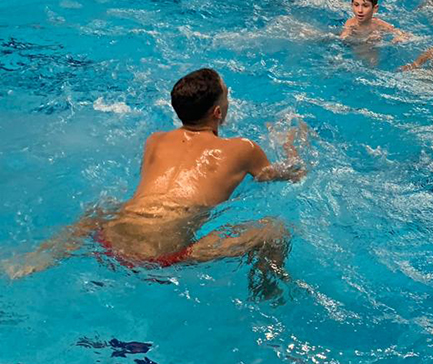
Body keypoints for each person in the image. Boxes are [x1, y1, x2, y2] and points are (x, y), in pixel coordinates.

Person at [2, 68, 308, 288]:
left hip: (110, 239)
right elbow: (283, 174)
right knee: (273, 230)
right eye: (227, 95)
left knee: (104, 207)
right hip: (165, 256)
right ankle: (270, 292)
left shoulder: (155, 140)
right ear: (217, 112)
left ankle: (38, 259)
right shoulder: (244, 149)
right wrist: (292, 144)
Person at [340, 0, 408, 43]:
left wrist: (398, 38)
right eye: (356, 5)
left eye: (365, 6)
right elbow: (344, 38)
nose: (360, 10)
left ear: (375, 8)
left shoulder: (378, 24)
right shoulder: (351, 24)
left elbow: (402, 34)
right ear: (352, 6)